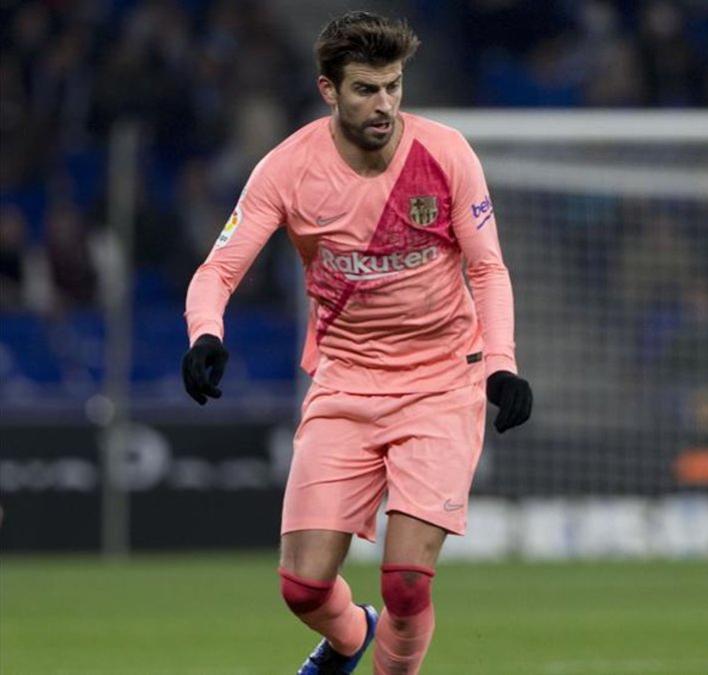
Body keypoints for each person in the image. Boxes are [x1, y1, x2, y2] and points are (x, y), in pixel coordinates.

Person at [181, 12, 532, 674]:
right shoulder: (287, 170)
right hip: (344, 382)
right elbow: (217, 270)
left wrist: (502, 366)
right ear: (328, 91)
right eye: (366, 89)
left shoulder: (446, 154)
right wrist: (206, 333)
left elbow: (487, 268)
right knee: (303, 586)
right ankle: (349, 637)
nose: (384, 105)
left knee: (406, 581)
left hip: (440, 382)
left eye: (393, 87)